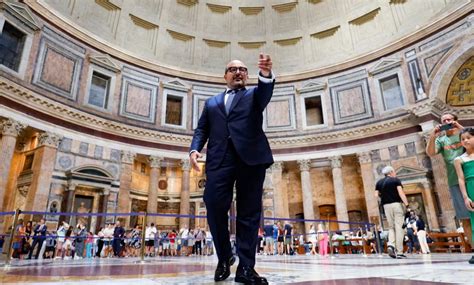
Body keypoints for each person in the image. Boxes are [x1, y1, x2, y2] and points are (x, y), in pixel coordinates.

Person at [189, 54, 274, 284]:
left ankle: (246, 268)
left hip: (251, 159)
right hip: (219, 160)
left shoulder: (254, 95)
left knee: (249, 213)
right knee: (214, 205)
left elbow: (266, 91)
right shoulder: (212, 103)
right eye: (233, 69)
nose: (238, 72)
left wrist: (265, 75)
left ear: (247, 75)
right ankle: (225, 256)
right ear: (225, 75)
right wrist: (194, 150)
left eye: (243, 69)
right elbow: (201, 130)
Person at [426, 111, 471, 243]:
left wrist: (460, 127)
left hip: (470, 177)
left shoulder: (464, 136)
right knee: (464, 217)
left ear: (455, 120)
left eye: (449, 120)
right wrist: (432, 136)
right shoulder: (441, 140)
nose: (446, 123)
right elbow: (431, 152)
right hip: (454, 181)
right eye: (443, 121)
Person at [375, 166, 409, 259]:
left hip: (386, 206)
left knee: (391, 227)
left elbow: (376, 195)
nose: (395, 173)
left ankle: (390, 245)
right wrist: (407, 205)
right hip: (396, 204)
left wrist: (384, 198)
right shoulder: (395, 180)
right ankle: (399, 251)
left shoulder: (379, 182)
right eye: (394, 171)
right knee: (399, 227)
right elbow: (401, 193)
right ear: (391, 172)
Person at [453, 127, 474, 264]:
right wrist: (466, 197)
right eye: (462, 139)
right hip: (471, 187)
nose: (465, 140)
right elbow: (461, 179)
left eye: (468, 137)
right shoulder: (459, 159)